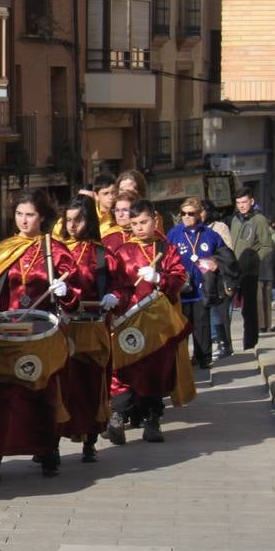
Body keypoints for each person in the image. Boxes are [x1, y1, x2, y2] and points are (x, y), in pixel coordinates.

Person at [0, 188, 78, 481]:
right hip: (6, 332)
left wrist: (66, 291)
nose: (23, 220)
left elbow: (74, 295)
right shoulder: (5, 247)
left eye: (30, 215)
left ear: (43, 217)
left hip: (41, 334)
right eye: (19, 214)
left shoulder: (55, 249)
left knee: (42, 394)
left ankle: (48, 453)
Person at [106, 200, 188, 445]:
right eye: (134, 224)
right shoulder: (121, 252)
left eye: (143, 222)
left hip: (158, 321)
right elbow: (117, 285)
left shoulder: (166, 248)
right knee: (123, 368)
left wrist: (160, 278)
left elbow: (179, 277)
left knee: (156, 370)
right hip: (129, 320)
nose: (139, 228)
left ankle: (153, 419)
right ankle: (118, 417)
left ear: (155, 219)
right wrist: (113, 298)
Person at [57, 195, 124, 463]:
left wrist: (115, 296)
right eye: (68, 220)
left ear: (90, 220)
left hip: (95, 326)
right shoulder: (56, 251)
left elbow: (119, 284)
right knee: (63, 387)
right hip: (64, 328)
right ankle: (53, 446)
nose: (72, 225)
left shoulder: (102, 253)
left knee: (92, 385)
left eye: (78, 219)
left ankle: (91, 441)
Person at [167, 196, 227, 370]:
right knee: (182, 326)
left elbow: (225, 255)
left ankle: (204, 357)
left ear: (199, 214)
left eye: (190, 213)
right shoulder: (174, 233)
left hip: (202, 288)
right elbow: (165, 257)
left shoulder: (210, 234)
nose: (186, 216)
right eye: (183, 213)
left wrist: (215, 263)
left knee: (201, 324)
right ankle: (182, 359)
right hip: (181, 289)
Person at [230, 188, 272, 350]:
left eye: (244, 202)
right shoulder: (235, 219)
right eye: (238, 203)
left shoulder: (259, 220)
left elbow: (267, 245)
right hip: (234, 271)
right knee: (230, 309)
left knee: (249, 310)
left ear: (252, 201)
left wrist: (253, 260)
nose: (241, 206)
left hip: (250, 272)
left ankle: (250, 343)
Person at [201, 200, 236, 360]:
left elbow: (228, 250)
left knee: (219, 313)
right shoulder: (193, 231)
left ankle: (225, 345)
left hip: (218, 277)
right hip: (202, 278)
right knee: (206, 313)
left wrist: (212, 259)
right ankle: (213, 344)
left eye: (201, 211)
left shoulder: (219, 227)